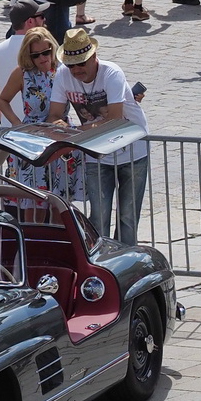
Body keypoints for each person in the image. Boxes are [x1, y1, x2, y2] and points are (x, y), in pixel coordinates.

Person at [48, 29, 150, 244]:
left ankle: (124, 265)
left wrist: (73, 131)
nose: (76, 69)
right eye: (71, 64)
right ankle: (101, 266)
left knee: (128, 218)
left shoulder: (111, 72)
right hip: (96, 153)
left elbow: (114, 119)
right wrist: (59, 124)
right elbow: (54, 115)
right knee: (98, 217)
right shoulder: (63, 76)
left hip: (132, 150)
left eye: (81, 63)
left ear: (94, 57)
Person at [0, 29, 83, 207]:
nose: (43, 58)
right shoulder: (22, 73)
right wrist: (17, 125)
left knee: (60, 202)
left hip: (60, 135)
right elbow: (2, 100)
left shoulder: (63, 70)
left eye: (46, 52)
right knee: (33, 201)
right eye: (36, 55)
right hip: (33, 139)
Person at [0, 0, 48, 126]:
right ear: (30, 21)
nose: (45, 20)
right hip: (42, 127)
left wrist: (3, 120)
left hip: (10, 127)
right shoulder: (45, 49)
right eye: (41, 17)